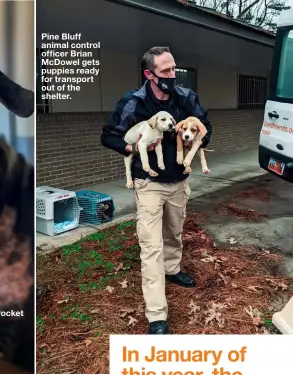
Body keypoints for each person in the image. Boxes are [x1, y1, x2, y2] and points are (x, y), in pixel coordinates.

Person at [101, 46, 213, 334]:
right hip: (148, 184)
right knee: (151, 247)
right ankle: (156, 315)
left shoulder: (187, 98)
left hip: (179, 183)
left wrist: (197, 135)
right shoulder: (133, 103)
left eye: (174, 69)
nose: (173, 75)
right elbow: (109, 136)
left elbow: (207, 128)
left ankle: (172, 269)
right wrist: (134, 148)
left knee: (173, 233)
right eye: (166, 71)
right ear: (149, 74)